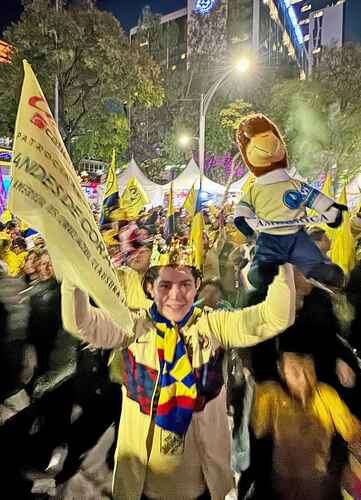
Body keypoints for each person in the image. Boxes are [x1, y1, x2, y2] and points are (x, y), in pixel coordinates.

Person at [61, 234, 296, 500]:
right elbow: (79, 322)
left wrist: (280, 262)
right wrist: (72, 273)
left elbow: (276, 317)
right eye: (165, 285)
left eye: (185, 284)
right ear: (150, 288)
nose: (176, 295)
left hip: (202, 487)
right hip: (142, 488)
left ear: (197, 285)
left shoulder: (213, 325)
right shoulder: (133, 326)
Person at [251, 349, 361, 500]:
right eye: (294, 370)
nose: (303, 377)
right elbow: (258, 428)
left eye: (307, 368)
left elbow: (353, 431)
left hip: (318, 485)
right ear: (281, 369)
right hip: (284, 485)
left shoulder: (326, 396)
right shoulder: (271, 396)